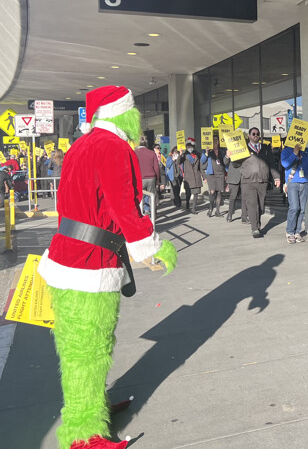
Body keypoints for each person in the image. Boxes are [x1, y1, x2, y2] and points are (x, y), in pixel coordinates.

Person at [38, 85, 177, 449]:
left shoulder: (80, 146)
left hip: (66, 257)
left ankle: (92, 407)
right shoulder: (114, 147)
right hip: (90, 264)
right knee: (88, 351)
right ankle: (84, 435)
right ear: (122, 113)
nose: (139, 120)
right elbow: (124, 207)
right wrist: (152, 248)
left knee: (84, 346)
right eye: (134, 112)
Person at [234, 127, 280, 238]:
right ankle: (254, 228)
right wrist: (231, 156)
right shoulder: (243, 148)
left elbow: (272, 164)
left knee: (261, 205)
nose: (256, 135)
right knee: (252, 204)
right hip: (248, 181)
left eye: (257, 134)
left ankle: (257, 225)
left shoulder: (265, 148)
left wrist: (276, 177)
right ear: (249, 136)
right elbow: (235, 165)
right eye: (253, 134)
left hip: (262, 181)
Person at [280, 136, 308, 243]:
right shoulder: (286, 151)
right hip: (292, 182)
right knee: (294, 207)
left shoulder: (305, 150)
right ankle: (290, 232)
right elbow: (285, 164)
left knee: (302, 208)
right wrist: (294, 154)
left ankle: (297, 232)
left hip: (304, 182)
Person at [201, 136, 227, 217]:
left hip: (220, 173)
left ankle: (218, 211)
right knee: (212, 191)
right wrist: (206, 152)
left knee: (219, 192)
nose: (216, 142)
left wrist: (227, 155)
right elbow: (202, 160)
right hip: (211, 174)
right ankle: (210, 208)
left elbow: (225, 162)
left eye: (217, 140)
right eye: (214, 140)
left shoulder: (222, 151)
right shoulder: (207, 151)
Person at [135, 135, 160, 218]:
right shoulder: (151, 153)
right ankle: (153, 216)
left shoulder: (134, 152)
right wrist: (158, 180)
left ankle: (140, 216)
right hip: (151, 178)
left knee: (139, 198)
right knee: (151, 197)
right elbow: (156, 168)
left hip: (139, 178)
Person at [223, 145, 247, 223]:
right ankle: (230, 214)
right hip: (234, 177)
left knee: (244, 197)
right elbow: (225, 162)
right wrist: (227, 156)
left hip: (244, 176)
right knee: (233, 197)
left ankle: (244, 217)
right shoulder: (231, 148)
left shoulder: (245, 148)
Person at [179, 137, 203, 214]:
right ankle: (187, 205)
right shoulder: (184, 155)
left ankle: (194, 208)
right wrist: (180, 154)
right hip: (188, 178)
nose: (190, 148)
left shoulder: (198, 154)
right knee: (188, 194)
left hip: (196, 176)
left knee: (196, 193)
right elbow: (177, 162)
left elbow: (201, 166)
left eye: (191, 146)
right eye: (188, 147)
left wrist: (204, 176)